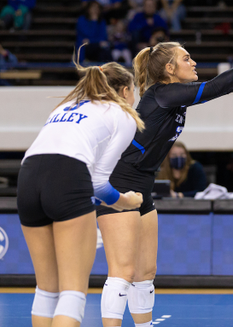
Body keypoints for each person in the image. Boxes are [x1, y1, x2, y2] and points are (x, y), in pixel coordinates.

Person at [95, 26, 233, 327]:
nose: (194, 63)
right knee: (122, 271)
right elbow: (217, 88)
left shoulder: (173, 98)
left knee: (146, 272)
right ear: (170, 68)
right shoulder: (162, 94)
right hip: (119, 181)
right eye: (187, 58)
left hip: (143, 185)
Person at [17, 57, 144, 327]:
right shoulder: (122, 114)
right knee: (73, 292)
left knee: (46, 289)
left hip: (27, 176)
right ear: (124, 92)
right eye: (133, 90)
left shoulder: (66, 106)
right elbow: (98, 183)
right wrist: (126, 201)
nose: (134, 97)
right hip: (66, 174)